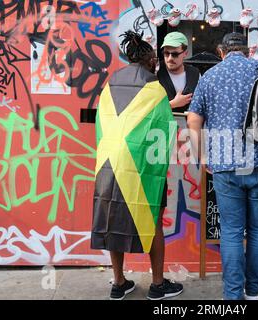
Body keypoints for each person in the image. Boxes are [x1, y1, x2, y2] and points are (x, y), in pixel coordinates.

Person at [187, 32, 258, 300]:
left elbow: (193, 120)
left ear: (221, 52)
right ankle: (252, 292)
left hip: (226, 165)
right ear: (248, 51)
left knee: (230, 231)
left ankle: (232, 296)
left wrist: (202, 156)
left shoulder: (210, 77)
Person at [91, 30, 183, 300]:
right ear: (150, 60)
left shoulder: (111, 84)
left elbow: (101, 124)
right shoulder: (154, 88)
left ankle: (119, 283)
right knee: (152, 219)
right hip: (142, 167)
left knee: (111, 219)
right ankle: (157, 285)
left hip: (108, 163)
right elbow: (165, 132)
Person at [157, 31, 201, 113]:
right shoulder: (156, 71)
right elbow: (146, 108)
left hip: (187, 124)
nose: (170, 58)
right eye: (166, 53)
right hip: (160, 124)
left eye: (175, 54)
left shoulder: (194, 74)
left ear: (185, 54)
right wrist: (173, 104)